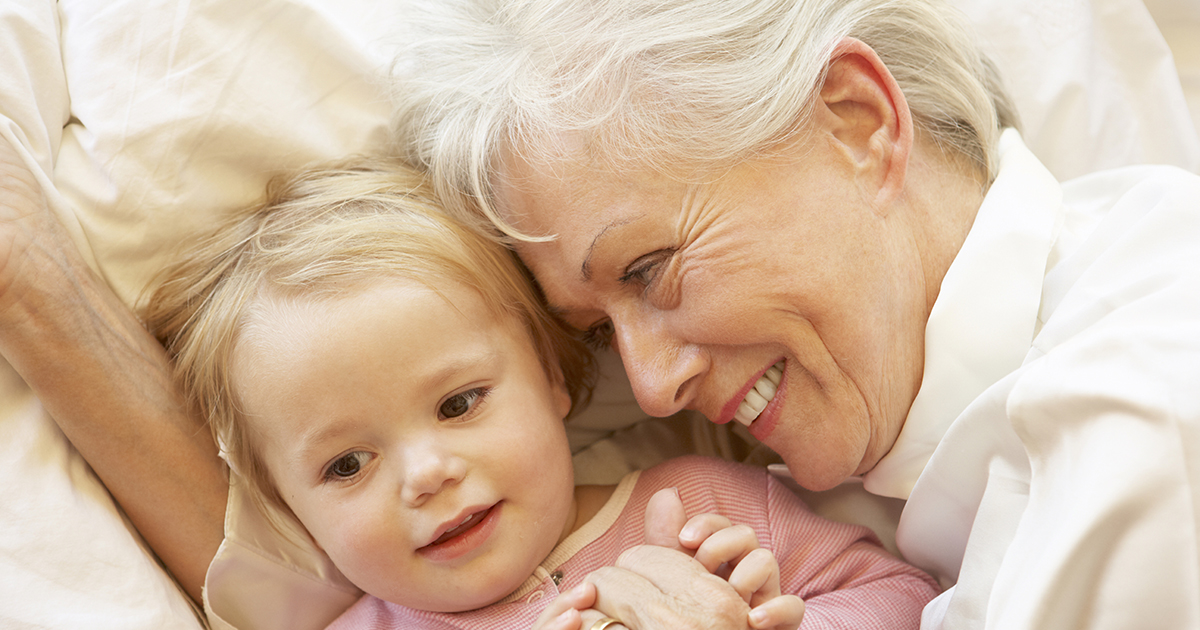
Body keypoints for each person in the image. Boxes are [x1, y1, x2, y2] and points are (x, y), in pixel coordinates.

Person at [387, 0, 1200, 628]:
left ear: (859, 123)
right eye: (598, 333)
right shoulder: (840, 479)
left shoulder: (1130, 418)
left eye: (650, 269)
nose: (653, 389)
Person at [139, 157, 938, 630]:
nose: (426, 475)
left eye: (458, 404)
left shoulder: (708, 510)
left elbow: (908, 597)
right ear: (283, 503)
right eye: (346, 464)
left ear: (552, 376)